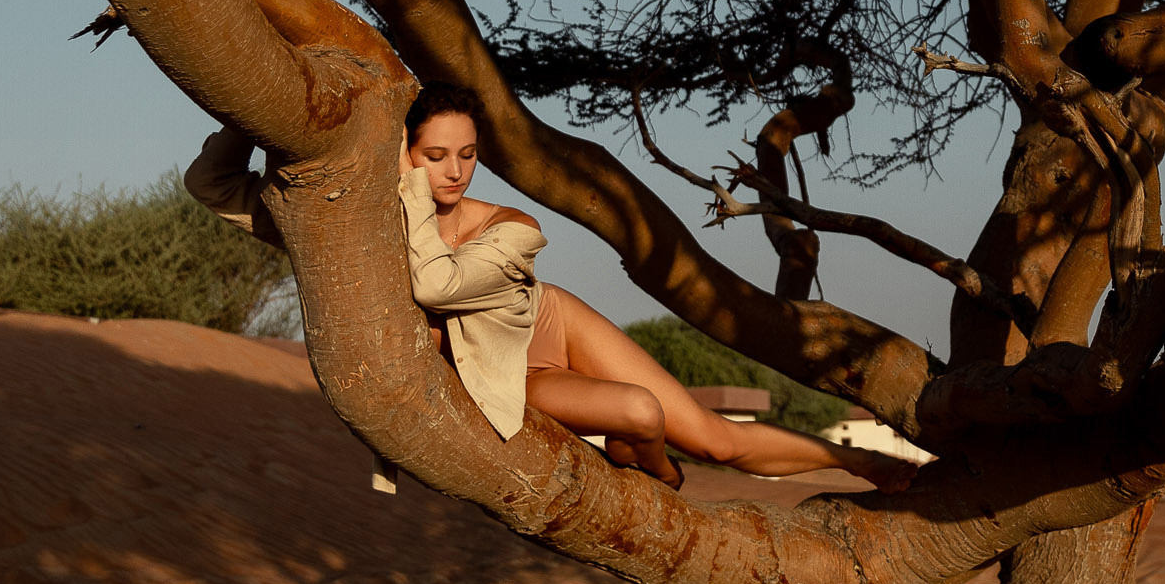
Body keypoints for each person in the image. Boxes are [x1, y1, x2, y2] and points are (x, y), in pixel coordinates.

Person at [184, 88, 914, 491]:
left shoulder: (512, 225)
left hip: (552, 323)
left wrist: (401, 197)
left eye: (467, 156)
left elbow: (436, 286)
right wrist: (248, 114)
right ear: (405, 151)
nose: (455, 172)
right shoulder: (362, 230)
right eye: (434, 155)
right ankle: (655, 464)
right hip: (505, 372)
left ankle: (854, 460)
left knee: (717, 439)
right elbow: (211, 185)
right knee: (636, 411)